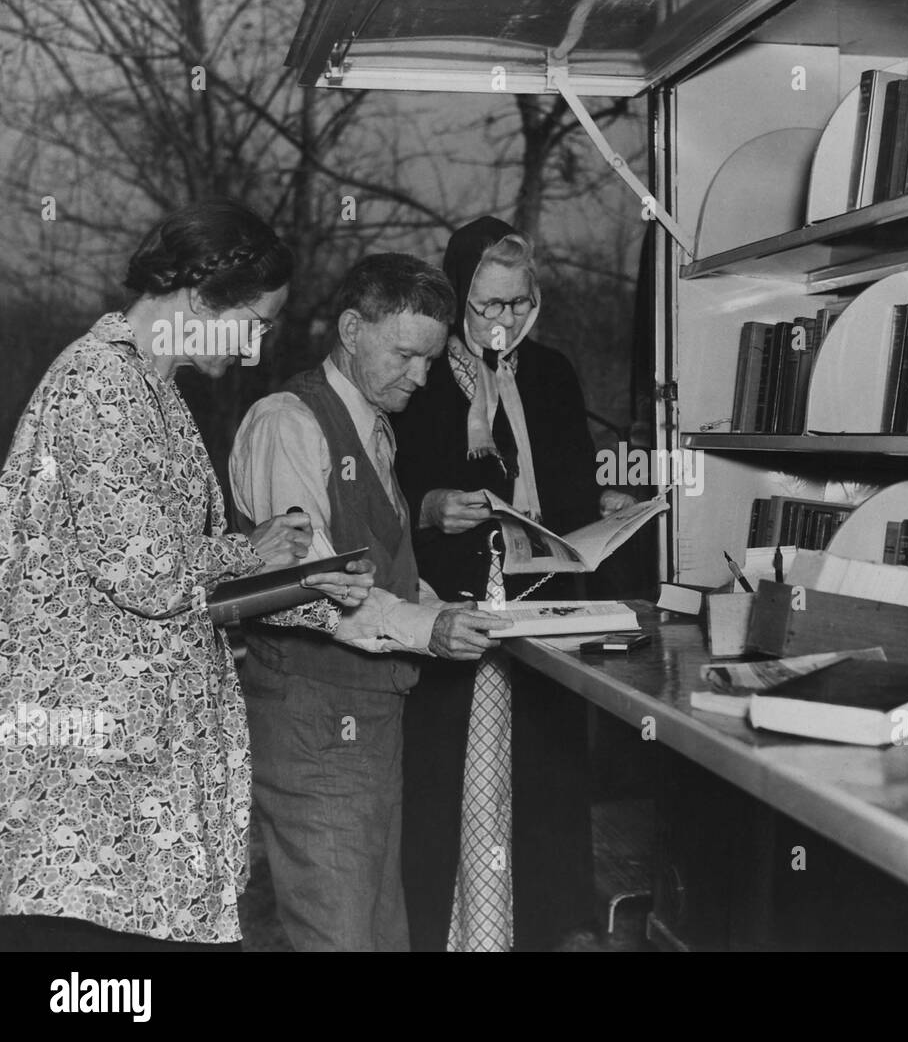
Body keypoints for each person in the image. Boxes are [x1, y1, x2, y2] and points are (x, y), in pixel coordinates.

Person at [0, 199, 375, 952]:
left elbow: (186, 580)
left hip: (145, 793)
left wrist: (310, 590)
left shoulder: (155, 388)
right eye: (259, 322)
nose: (259, 346)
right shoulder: (97, 382)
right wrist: (253, 551)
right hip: (91, 799)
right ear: (203, 299)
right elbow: (146, 572)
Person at [228, 252, 509, 952]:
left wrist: (449, 608)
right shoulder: (286, 423)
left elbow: (381, 566)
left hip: (373, 723)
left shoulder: (376, 425)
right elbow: (318, 588)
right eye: (407, 354)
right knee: (340, 936)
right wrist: (429, 626)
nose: (420, 376)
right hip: (311, 726)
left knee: (383, 933)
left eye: (431, 360)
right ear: (352, 328)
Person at [393, 217, 635, 951]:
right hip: (458, 601)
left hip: (549, 597)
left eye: (518, 304)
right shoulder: (425, 375)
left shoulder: (554, 372)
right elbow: (389, 491)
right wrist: (433, 507)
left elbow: (566, 482)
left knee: (547, 777)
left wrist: (602, 506)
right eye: (488, 306)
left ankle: (552, 930)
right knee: (457, 780)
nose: (504, 321)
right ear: (459, 299)